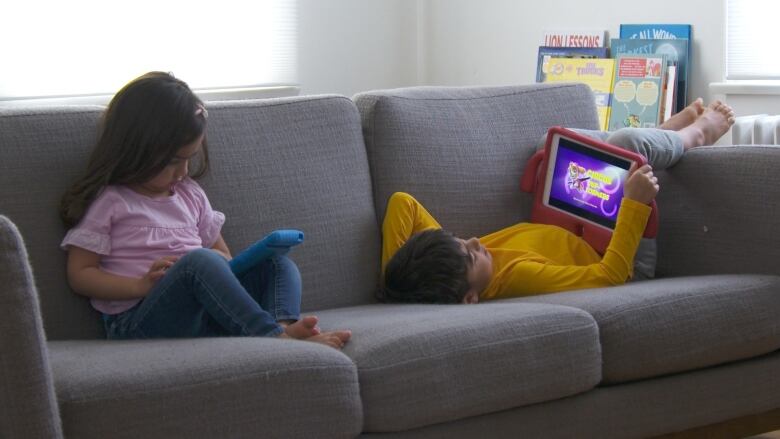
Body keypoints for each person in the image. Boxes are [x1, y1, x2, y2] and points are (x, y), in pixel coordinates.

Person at [59, 72, 351, 349]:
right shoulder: (112, 201)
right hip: (139, 321)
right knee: (199, 260)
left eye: (189, 158)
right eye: (173, 160)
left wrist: (219, 264)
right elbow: (80, 273)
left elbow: (224, 256)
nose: (183, 171)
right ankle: (274, 338)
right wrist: (139, 285)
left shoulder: (190, 195)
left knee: (277, 263)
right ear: (136, 149)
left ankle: (282, 325)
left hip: (203, 313)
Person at [379, 100, 735, 304]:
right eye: (471, 254)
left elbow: (402, 203)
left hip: (583, 226)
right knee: (626, 144)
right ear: (469, 299)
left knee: (548, 147)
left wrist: (394, 279)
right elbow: (607, 278)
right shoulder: (518, 278)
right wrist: (633, 205)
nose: (475, 241)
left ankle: (659, 134)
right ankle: (694, 135)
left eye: (460, 240)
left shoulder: (453, 268)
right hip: (621, 260)